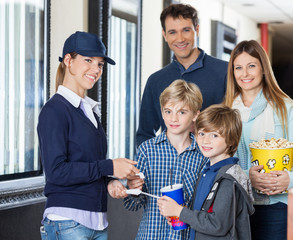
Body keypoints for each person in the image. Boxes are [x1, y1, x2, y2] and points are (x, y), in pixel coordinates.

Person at [37, 31, 140, 240]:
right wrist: (109, 166)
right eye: (88, 60)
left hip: (98, 223)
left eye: (100, 64)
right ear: (68, 60)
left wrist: (109, 181)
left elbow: (87, 164)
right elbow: (57, 172)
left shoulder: (90, 110)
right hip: (67, 222)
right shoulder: (55, 110)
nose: (96, 69)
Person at [222, 40, 293, 240]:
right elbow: (218, 164)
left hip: (275, 207)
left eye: (251, 66)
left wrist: (290, 179)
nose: (245, 74)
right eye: (238, 68)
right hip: (235, 206)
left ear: (263, 69)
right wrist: (246, 176)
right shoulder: (225, 112)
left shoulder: (287, 109)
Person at [123, 80, 208, 239]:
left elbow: (206, 206)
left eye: (182, 112)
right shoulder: (147, 150)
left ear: (196, 114)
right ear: (161, 112)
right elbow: (133, 204)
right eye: (168, 111)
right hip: (151, 235)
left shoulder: (203, 154)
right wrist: (134, 190)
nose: (173, 118)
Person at [158, 104, 255, 240]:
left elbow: (217, 225)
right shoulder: (207, 171)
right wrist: (181, 215)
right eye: (201, 133)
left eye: (214, 135)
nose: (205, 140)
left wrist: (180, 212)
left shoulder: (228, 179)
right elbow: (203, 213)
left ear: (231, 140)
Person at [136, 3, 228, 146]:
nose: (180, 39)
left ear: (196, 30)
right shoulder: (156, 81)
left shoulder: (225, 72)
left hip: (215, 165)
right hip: (169, 165)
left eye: (186, 30)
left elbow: (237, 124)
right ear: (164, 35)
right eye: (172, 32)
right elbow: (145, 133)